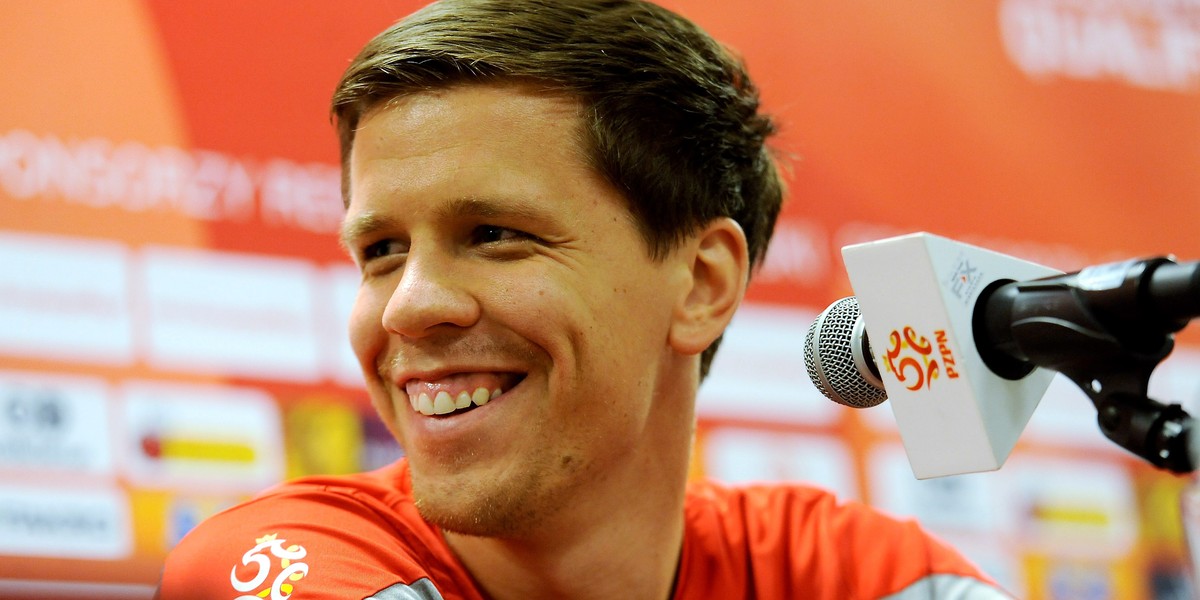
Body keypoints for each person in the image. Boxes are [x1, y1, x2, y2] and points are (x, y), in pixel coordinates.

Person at [160, 1, 1010, 598]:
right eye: (381, 252)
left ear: (702, 283)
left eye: (492, 233)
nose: (407, 308)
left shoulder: (863, 577)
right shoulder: (285, 562)